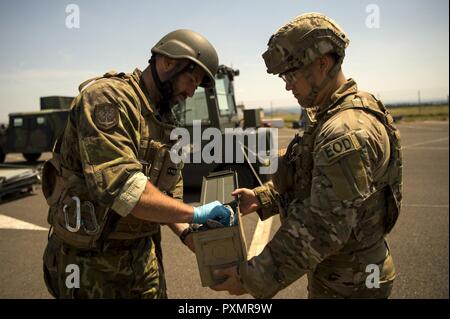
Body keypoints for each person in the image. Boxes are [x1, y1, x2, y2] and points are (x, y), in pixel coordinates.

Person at [211, 13, 403, 299]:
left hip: (354, 282)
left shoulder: (344, 132)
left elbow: (323, 226)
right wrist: (262, 199)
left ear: (322, 64)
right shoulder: (328, 118)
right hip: (340, 275)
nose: (287, 85)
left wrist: (249, 277)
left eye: (291, 74)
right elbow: (312, 187)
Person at [42, 29, 231, 299]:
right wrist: (195, 213)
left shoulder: (166, 122)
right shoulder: (107, 99)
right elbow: (124, 189)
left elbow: (167, 197)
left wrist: (192, 237)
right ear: (167, 63)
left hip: (142, 257)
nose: (191, 92)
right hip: (89, 262)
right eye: (190, 80)